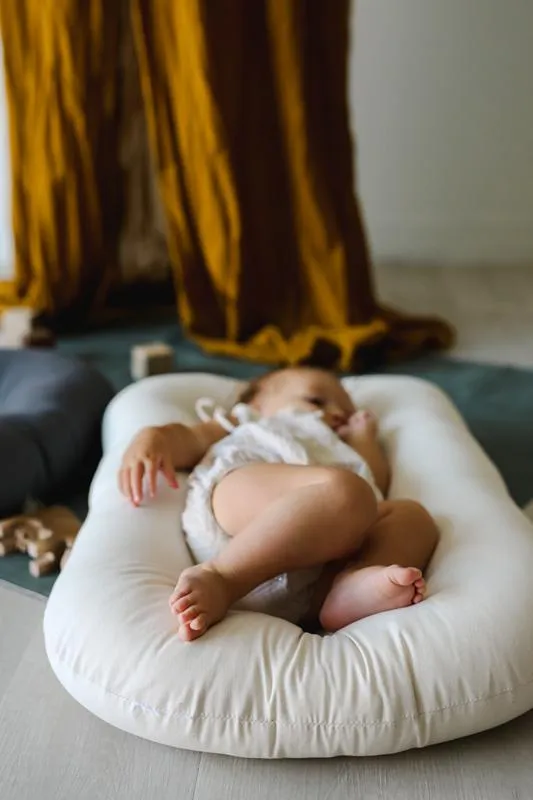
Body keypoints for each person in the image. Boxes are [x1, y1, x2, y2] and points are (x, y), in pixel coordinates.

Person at [119, 367, 439, 641]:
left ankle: (349, 587)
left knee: (412, 516)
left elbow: (375, 485)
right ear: (258, 402)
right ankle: (222, 578)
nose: (337, 413)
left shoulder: (345, 452)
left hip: (314, 578)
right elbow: (191, 439)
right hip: (239, 506)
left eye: (346, 413)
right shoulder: (246, 420)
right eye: (316, 400)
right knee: (347, 493)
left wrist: (362, 440)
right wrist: (156, 437)